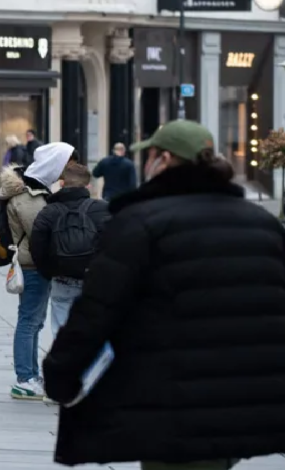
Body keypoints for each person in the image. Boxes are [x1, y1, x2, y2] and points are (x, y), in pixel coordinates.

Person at [43, 120, 285, 469]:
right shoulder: (261, 224)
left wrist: (61, 375)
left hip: (171, 401)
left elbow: (97, 311)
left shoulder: (141, 223)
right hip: (242, 402)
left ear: (164, 159)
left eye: (151, 155)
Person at [0, 141, 74, 400]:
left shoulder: (36, 190)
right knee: (29, 321)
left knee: (34, 321)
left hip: (35, 263)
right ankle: (25, 378)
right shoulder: (28, 195)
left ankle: (30, 374)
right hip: (32, 265)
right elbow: (41, 233)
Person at [29, 163, 110, 337]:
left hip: (62, 280)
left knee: (61, 334)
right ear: (87, 186)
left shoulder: (48, 211)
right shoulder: (102, 209)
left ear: (62, 184)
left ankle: (63, 363)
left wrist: (50, 272)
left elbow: (37, 247)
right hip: (93, 280)